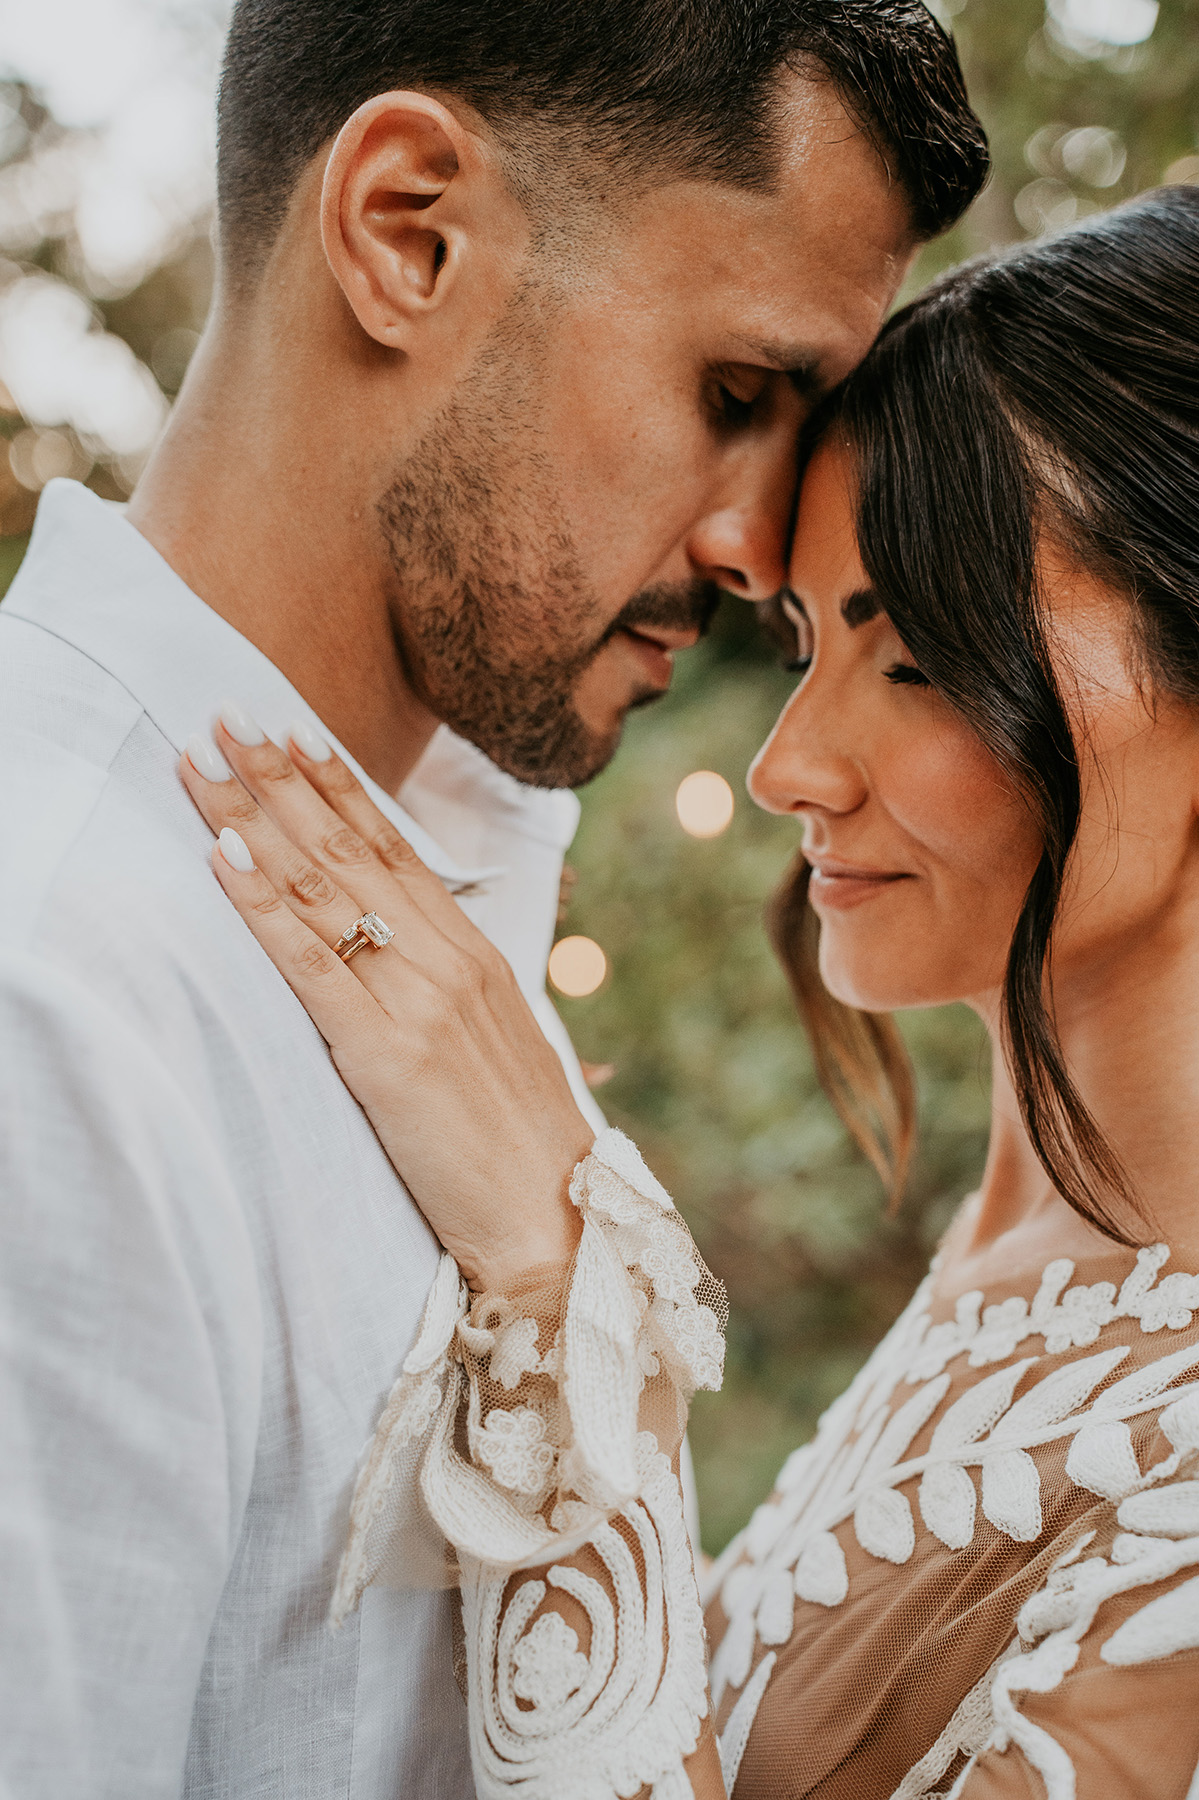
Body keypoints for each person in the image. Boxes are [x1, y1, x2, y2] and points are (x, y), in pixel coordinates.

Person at [0, 1, 987, 1795]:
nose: (758, 552)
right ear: (407, 232)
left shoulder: (453, 873)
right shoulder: (50, 985)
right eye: (735, 395)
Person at [182, 184, 1199, 1799]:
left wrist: (565, 1288)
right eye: (803, 646)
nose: (788, 766)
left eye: (916, 659)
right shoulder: (1027, 1247)